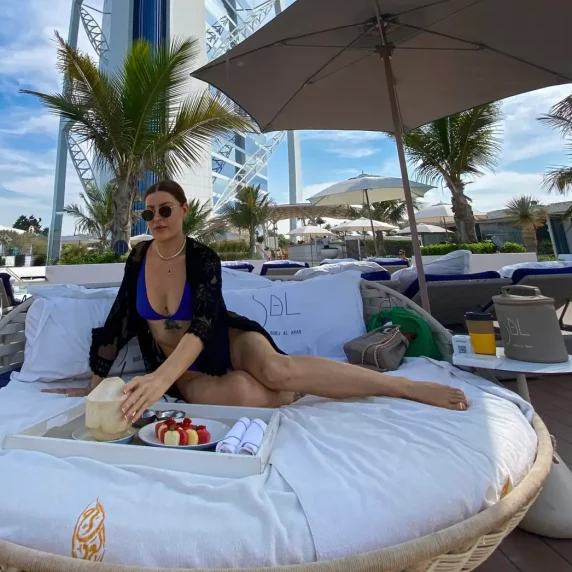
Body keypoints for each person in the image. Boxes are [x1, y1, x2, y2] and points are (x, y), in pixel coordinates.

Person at [46, 180, 468, 420]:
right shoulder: (138, 260)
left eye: (165, 210)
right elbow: (120, 319)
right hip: (184, 370)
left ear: (184, 211)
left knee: (276, 369)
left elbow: (206, 322)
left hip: (223, 337)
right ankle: (301, 392)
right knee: (246, 395)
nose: (156, 219)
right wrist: (96, 384)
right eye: (148, 213)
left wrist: (157, 383)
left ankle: (403, 387)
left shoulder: (202, 257)